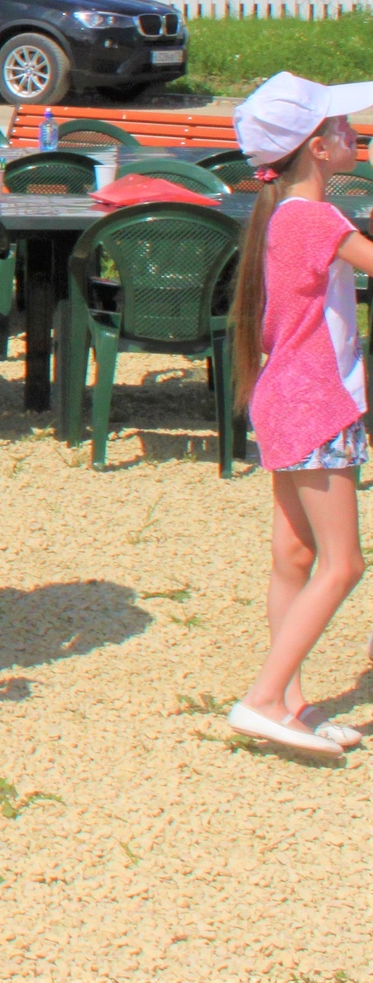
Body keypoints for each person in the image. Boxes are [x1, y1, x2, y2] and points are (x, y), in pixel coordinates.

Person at [222, 73, 372, 757]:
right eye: (341, 125)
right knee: (343, 564)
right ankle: (262, 699)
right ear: (317, 147)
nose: (354, 131)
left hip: (284, 398)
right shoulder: (318, 219)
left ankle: (290, 703)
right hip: (318, 403)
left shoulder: (284, 213)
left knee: (295, 556)